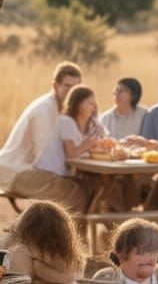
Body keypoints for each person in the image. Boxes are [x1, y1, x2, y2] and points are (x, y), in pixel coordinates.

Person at [0, 61, 82, 200]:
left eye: (76, 88)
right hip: (16, 171)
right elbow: (43, 157)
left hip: (29, 169)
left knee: (85, 187)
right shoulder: (44, 109)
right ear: (55, 86)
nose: (71, 92)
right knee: (74, 192)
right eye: (67, 86)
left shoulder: (66, 110)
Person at [31, 85, 104, 214]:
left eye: (94, 103)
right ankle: (77, 227)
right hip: (49, 173)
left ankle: (85, 226)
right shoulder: (66, 122)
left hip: (63, 173)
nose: (93, 106)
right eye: (89, 103)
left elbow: (101, 142)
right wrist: (88, 144)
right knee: (81, 191)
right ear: (77, 103)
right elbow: (72, 154)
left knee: (91, 187)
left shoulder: (91, 125)